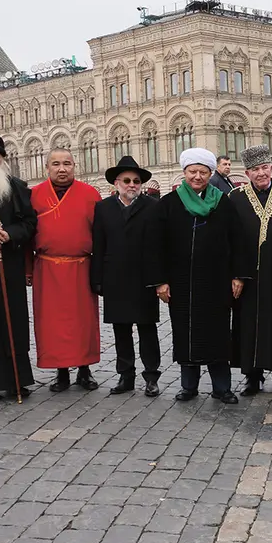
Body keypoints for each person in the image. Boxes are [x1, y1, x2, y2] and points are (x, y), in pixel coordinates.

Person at [145, 148, 249, 404]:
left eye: (203, 172)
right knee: (185, 333)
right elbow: (155, 245)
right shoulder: (169, 204)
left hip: (217, 281)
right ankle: (188, 386)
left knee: (218, 335)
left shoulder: (222, 202)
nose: (198, 177)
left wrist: (238, 275)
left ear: (210, 173)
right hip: (181, 283)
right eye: (193, 172)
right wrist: (160, 281)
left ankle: (222, 387)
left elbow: (238, 240)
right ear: (184, 173)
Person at [229, 145, 272, 396]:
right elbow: (231, 240)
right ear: (247, 173)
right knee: (248, 324)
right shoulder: (235, 198)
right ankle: (252, 376)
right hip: (248, 275)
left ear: (271, 167)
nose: (261, 173)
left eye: (265, 167)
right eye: (255, 169)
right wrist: (236, 274)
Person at [30, 148, 101, 392]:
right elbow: (28, 235)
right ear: (46, 168)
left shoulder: (90, 194)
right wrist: (28, 271)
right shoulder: (35, 195)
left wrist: (100, 272)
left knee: (83, 323)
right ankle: (60, 372)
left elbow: (101, 237)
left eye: (67, 164)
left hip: (81, 267)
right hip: (47, 269)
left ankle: (84, 370)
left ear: (75, 166)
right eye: (56, 164)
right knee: (52, 324)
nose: (62, 169)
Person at [91, 156, 161, 397]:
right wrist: (97, 278)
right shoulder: (103, 208)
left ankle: (152, 376)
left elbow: (160, 245)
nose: (132, 185)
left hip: (144, 278)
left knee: (147, 329)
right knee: (121, 329)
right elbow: (98, 245)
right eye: (127, 180)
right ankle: (125, 375)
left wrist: (159, 278)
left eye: (137, 181)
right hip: (115, 278)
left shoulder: (153, 206)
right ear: (117, 183)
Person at [0, 136, 37, 399]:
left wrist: (9, 234)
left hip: (8, 266)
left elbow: (30, 224)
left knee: (13, 320)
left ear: (2, 159)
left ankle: (16, 380)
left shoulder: (15, 188)